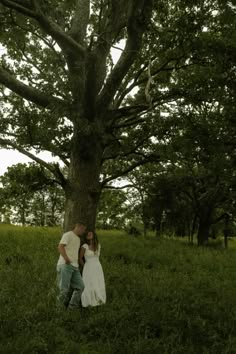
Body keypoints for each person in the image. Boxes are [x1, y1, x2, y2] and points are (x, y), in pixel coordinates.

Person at [57, 222, 87, 309]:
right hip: (65, 265)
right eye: (83, 229)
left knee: (80, 287)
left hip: (75, 266)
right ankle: (58, 310)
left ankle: (72, 308)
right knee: (64, 289)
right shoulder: (68, 234)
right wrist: (66, 258)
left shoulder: (78, 238)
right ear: (78, 227)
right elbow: (60, 247)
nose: (84, 231)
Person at [79, 231, 106, 307]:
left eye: (90, 233)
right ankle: (88, 302)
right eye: (87, 234)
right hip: (88, 266)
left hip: (97, 266)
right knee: (88, 284)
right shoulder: (84, 246)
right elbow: (80, 259)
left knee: (98, 282)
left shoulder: (98, 245)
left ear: (94, 235)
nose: (88, 234)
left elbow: (97, 257)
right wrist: (85, 267)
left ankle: (98, 299)